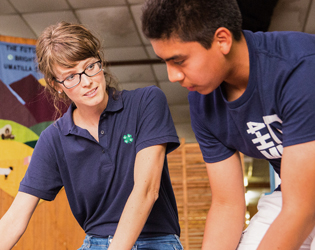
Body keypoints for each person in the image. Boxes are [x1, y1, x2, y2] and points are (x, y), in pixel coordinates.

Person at [141, 0, 315, 249]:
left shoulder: (300, 68)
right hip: (297, 195)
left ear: (222, 40)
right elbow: (227, 204)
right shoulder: (202, 103)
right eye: (164, 62)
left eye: (179, 61)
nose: (172, 76)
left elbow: (302, 210)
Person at [0, 21, 183, 250]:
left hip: (156, 241)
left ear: (100, 60)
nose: (87, 82)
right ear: (56, 85)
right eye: (70, 77)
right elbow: (15, 218)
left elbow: (147, 191)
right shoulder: (53, 140)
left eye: (90, 67)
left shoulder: (146, 102)